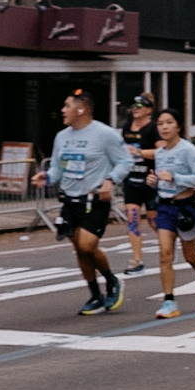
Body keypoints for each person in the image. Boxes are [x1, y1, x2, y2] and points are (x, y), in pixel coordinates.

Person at [33, 90, 133, 315]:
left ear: (82, 108)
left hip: (94, 198)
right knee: (79, 249)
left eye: (67, 106)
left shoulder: (105, 134)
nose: (63, 110)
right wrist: (46, 177)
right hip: (70, 200)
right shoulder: (62, 136)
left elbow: (125, 161)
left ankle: (112, 280)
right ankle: (95, 295)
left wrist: (111, 180)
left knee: (87, 244)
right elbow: (58, 168)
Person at [148, 110, 195, 319]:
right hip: (165, 207)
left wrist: (175, 177)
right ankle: (169, 301)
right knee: (165, 253)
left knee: (190, 256)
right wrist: (153, 181)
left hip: (187, 207)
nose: (164, 127)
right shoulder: (159, 153)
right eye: (160, 123)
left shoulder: (188, 150)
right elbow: (162, 178)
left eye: (169, 122)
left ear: (178, 126)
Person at [116, 94, 159, 274]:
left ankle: (169, 246)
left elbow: (162, 152)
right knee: (132, 220)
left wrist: (140, 153)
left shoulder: (153, 128)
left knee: (154, 221)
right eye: (134, 105)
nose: (136, 108)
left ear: (148, 110)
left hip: (150, 180)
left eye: (140, 106)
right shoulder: (126, 127)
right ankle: (137, 261)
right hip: (131, 180)